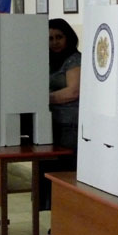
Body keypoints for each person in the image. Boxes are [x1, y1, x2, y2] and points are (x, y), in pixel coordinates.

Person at [39, 18, 81, 213]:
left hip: (69, 127)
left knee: (65, 175)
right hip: (50, 124)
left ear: (68, 37)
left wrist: (43, 98)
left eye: (59, 37)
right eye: (50, 38)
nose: (54, 42)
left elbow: (73, 91)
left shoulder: (74, 59)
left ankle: (67, 221)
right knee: (49, 174)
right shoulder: (46, 60)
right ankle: (55, 220)